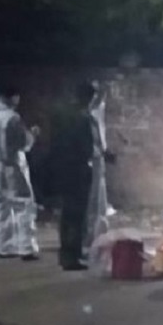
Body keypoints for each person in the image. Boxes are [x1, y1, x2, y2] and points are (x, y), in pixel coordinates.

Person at [0, 83, 40, 260]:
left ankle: (5, 246)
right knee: (23, 205)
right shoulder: (11, 117)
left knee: (0, 206)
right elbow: (23, 143)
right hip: (11, 165)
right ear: (13, 97)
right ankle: (26, 248)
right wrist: (32, 135)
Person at [53, 82, 99, 270]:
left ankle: (68, 253)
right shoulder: (83, 118)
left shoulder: (62, 115)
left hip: (63, 168)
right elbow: (87, 148)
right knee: (77, 214)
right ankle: (72, 256)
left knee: (67, 214)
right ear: (90, 98)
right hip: (79, 169)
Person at [84, 80, 116, 252]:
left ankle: (99, 235)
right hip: (90, 161)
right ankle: (90, 237)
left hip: (97, 160)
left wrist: (105, 151)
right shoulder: (86, 116)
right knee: (92, 201)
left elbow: (99, 139)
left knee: (100, 201)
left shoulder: (96, 112)